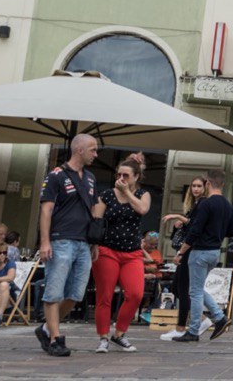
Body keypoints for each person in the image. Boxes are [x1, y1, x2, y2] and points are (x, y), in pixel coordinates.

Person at [37, 133, 100, 357]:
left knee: (76, 294)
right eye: (93, 149)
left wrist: (94, 242)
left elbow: (92, 210)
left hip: (83, 242)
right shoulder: (56, 175)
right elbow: (46, 209)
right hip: (61, 239)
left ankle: (45, 328)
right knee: (54, 291)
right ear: (79, 150)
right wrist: (45, 241)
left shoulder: (91, 178)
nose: (96, 154)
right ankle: (55, 338)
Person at [92, 159, 151, 353]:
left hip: (132, 253)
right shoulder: (107, 195)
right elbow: (97, 221)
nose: (121, 178)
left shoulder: (143, 194)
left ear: (136, 177)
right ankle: (103, 337)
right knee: (105, 296)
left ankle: (119, 334)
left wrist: (126, 192)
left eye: (126, 175)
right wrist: (93, 245)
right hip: (107, 250)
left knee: (135, 294)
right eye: (119, 174)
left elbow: (142, 210)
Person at [172, 168, 233, 343]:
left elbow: (194, 231)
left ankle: (193, 331)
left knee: (195, 292)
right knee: (197, 288)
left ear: (207, 183)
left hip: (199, 251)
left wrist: (181, 252)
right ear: (222, 183)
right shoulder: (227, 205)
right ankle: (219, 317)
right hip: (215, 252)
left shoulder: (205, 204)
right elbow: (231, 231)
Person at [160, 176, 211, 341]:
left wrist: (178, 217)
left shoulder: (203, 203)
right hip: (187, 248)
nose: (195, 189)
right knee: (176, 288)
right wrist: (179, 224)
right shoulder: (194, 205)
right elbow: (189, 227)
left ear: (204, 188)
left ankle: (181, 328)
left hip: (191, 250)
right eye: (193, 186)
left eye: (198, 186)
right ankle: (202, 319)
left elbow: (196, 227)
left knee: (183, 289)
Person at [141, 231, 164, 320]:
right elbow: (149, 262)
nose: (153, 247)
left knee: (168, 286)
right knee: (159, 288)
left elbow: (158, 265)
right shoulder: (138, 251)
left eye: (155, 244)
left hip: (156, 277)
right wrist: (147, 269)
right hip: (144, 278)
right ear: (144, 242)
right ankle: (148, 312)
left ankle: (150, 311)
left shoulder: (156, 252)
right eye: (151, 244)